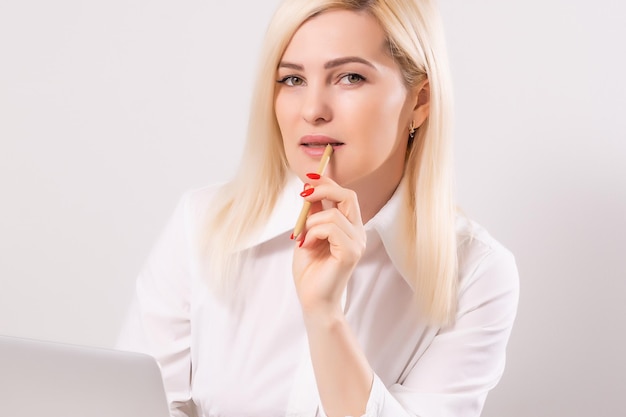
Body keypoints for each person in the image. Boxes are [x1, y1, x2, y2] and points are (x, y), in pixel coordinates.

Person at [116, 0, 519, 416]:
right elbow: (130, 407)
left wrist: (325, 316)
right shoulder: (202, 224)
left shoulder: (476, 274)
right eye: (292, 79)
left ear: (420, 100)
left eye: (349, 77)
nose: (312, 110)